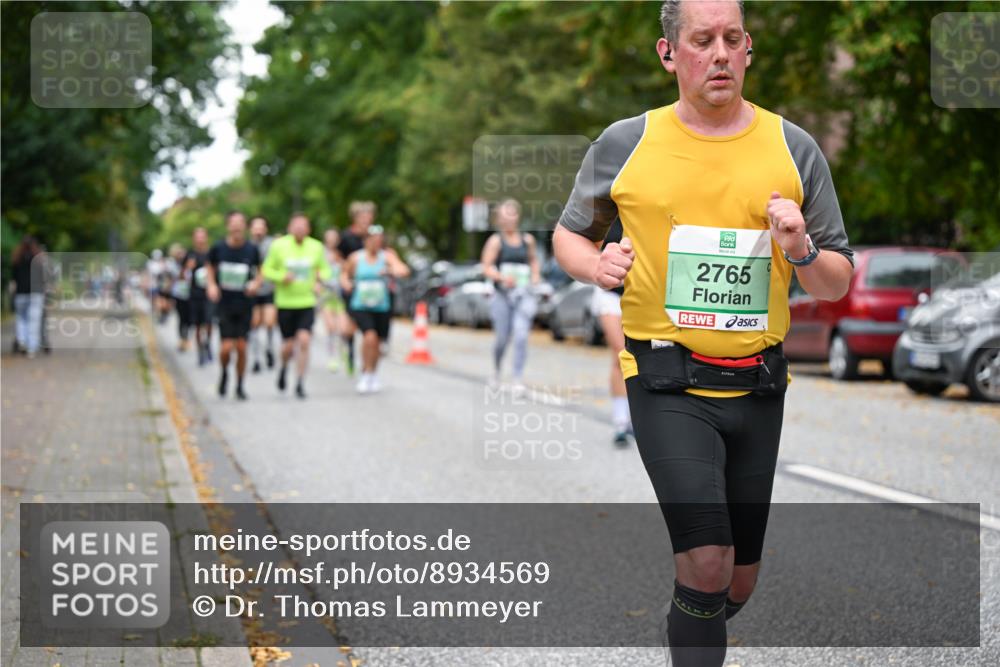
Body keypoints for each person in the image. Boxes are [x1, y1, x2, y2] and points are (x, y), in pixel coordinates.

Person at [552, 2, 854, 664]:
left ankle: (688, 624)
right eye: (702, 40)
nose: (719, 52)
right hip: (664, 380)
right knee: (709, 561)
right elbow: (568, 233)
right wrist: (594, 263)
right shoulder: (626, 142)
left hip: (758, 384)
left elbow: (836, 281)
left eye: (732, 38)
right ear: (669, 54)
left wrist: (801, 247)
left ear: (749, 49)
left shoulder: (793, 147)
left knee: (736, 579)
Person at [262, 212, 331, 399]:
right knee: (288, 346)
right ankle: (284, 367)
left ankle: (300, 381)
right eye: (296, 225)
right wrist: (281, 277)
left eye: (303, 226)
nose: (300, 229)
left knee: (305, 340)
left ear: (308, 229)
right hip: (285, 302)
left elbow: (325, 269)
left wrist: (320, 280)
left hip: (306, 302)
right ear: (290, 228)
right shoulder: (279, 246)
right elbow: (266, 269)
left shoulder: (316, 247)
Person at [480, 199, 541, 390]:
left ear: (517, 216)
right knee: (502, 338)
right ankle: (496, 371)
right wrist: (501, 277)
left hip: (523, 294)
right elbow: (486, 267)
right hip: (502, 296)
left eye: (512, 214)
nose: (509, 219)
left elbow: (533, 261)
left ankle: (517, 377)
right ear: (499, 219)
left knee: (521, 335)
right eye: (505, 215)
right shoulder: (496, 241)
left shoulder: (527, 240)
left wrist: (536, 276)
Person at [342, 225, 410, 394]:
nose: (376, 243)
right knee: (369, 337)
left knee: (378, 343)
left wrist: (390, 270)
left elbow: (403, 269)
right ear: (366, 240)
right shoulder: (356, 258)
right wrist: (347, 284)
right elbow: (344, 274)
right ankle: (365, 372)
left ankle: (373, 373)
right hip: (361, 304)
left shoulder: (387, 256)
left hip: (381, 305)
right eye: (373, 239)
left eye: (379, 240)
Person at [205, 212, 261, 400]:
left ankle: (239, 385)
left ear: (245, 227)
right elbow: (209, 267)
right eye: (233, 224)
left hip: (245, 303)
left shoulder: (251, 249)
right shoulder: (218, 248)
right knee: (227, 348)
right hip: (224, 304)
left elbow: (261, 270)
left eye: (240, 223)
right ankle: (224, 373)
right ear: (228, 226)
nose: (237, 227)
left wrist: (256, 283)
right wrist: (212, 285)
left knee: (242, 347)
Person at [591, 220, 633, 447]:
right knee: (621, 354)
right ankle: (620, 422)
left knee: (638, 356)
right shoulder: (607, 215)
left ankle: (636, 417)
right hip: (609, 294)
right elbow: (585, 247)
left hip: (639, 295)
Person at [337, 201, 375, 374]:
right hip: (352, 287)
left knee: (368, 328)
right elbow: (338, 258)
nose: (366, 219)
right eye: (363, 216)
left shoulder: (374, 236)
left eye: (369, 216)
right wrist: (347, 273)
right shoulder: (346, 237)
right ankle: (350, 350)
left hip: (371, 289)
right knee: (350, 326)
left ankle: (367, 361)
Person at [248, 216, 278, 373]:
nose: (258, 231)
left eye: (261, 227)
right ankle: (256, 358)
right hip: (252, 291)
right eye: (256, 227)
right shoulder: (247, 246)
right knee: (254, 323)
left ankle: (269, 347)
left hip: (269, 289)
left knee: (269, 321)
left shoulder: (273, 245)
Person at [10, 236, 46, 358]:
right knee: (34, 321)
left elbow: (14, 278)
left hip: (21, 293)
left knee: (21, 318)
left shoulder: (17, 258)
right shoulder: (38, 259)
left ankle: (22, 340)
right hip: (35, 293)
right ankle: (32, 348)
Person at [320, 228, 349, 372]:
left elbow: (347, 271)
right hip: (326, 297)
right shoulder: (320, 254)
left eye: (334, 237)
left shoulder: (341, 255)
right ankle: (332, 357)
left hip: (340, 297)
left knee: (343, 329)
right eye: (329, 237)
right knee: (331, 328)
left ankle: (343, 350)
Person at [185, 227, 214, 366]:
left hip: (208, 293)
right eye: (198, 236)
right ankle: (200, 352)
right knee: (197, 326)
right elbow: (182, 275)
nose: (200, 239)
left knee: (209, 322)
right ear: (194, 238)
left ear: (206, 237)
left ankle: (207, 342)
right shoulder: (190, 254)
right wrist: (188, 268)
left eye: (203, 236)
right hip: (195, 294)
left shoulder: (211, 253)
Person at [168, 243, 192, 352]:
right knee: (181, 318)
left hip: (190, 295)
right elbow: (176, 278)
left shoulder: (190, 265)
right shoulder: (173, 265)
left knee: (189, 319)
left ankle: (186, 338)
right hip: (178, 295)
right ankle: (182, 339)